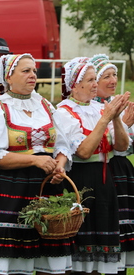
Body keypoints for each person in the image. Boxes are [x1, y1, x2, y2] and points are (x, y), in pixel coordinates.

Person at [0, 53, 75, 275]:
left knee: (49, 259)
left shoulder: (45, 105)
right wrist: (34, 160)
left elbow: (62, 145)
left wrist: (59, 165)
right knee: (14, 262)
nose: (33, 75)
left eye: (34, 71)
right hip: (13, 189)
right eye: (26, 71)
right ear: (9, 77)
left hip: (48, 187)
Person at [56, 58, 130, 274]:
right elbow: (84, 151)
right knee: (81, 244)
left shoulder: (100, 108)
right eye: (90, 80)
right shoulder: (64, 111)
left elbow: (121, 147)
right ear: (75, 85)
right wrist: (105, 119)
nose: (95, 84)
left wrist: (116, 118)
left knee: (102, 244)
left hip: (104, 181)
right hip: (81, 181)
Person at [89, 53, 134, 273]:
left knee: (122, 225)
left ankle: (119, 268)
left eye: (114, 74)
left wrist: (124, 126)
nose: (113, 80)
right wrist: (121, 125)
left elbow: (127, 146)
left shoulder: (125, 108)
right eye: (106, 76)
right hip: (100, 170)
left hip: (121, 171)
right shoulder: (86, 109)